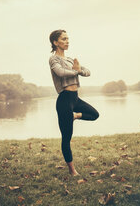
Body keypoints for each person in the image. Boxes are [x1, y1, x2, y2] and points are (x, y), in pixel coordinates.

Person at [49, 29, 99, 176]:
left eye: (67, 39)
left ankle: (75, 116)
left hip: (75, 98)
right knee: (66, 137)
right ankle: (72, 170)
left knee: (95, 114)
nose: (67, 41)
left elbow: (88, 71)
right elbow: (60, 72)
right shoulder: (54, 59)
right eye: (63, 39)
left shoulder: (71, 60)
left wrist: (79, 70)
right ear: (55, 42)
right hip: (64, 99)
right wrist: (77, 71)